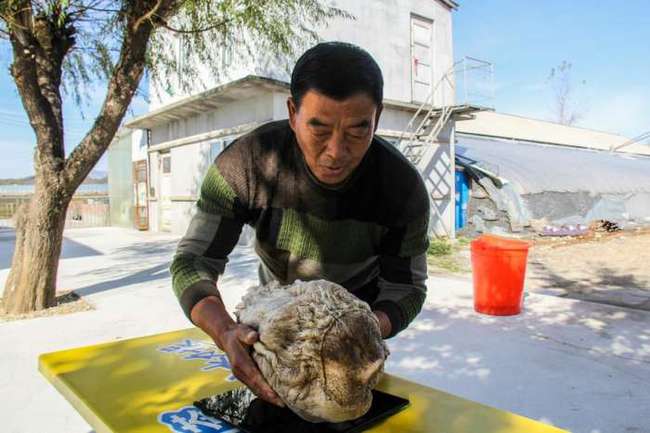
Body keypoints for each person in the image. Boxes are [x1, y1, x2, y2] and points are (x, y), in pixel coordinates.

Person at [170, 42, 430, 408]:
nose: (336, 152)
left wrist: (364, 330)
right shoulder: (245, 166)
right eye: (319, 129)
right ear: (293, 113)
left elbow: (407, 286)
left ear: (378, 117)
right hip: (274, 327)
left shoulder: (402, 189)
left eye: (358, 131)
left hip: (359, 336)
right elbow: (193, 261)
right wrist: (225, 331)